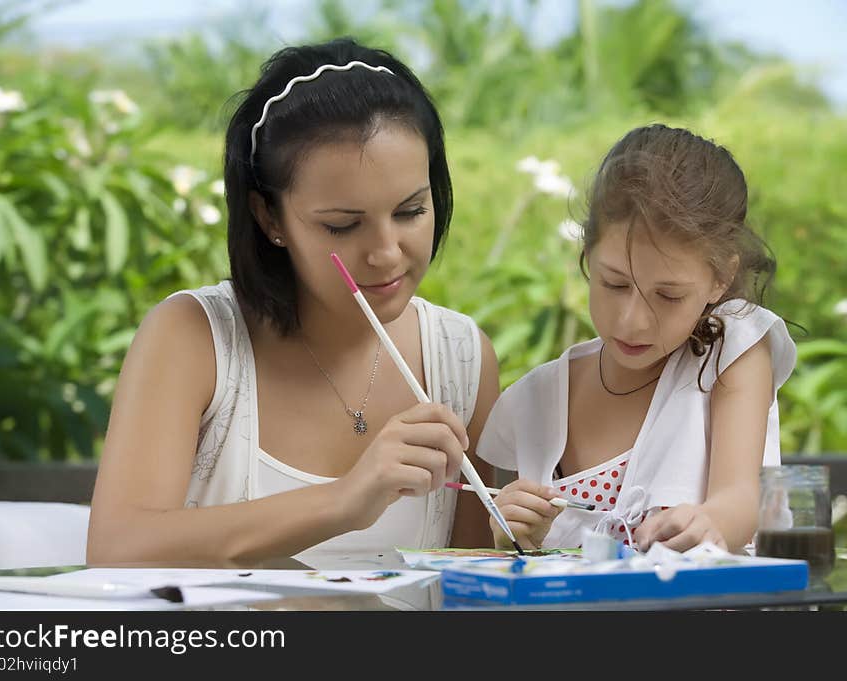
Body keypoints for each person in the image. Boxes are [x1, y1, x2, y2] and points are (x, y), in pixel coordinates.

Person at [87, 37, 500, 566]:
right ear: (270, 218)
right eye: (342, 225)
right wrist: (345, 500)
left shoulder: (462, 357)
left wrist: (528, 541)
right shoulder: (194, 336)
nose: (386, 252)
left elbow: (470, 583)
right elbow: (117, 549)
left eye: (410, 211)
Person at [477, 124, 796, 554]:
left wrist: (712, 522)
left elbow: (741, 500)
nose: (632, 321)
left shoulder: (729, 354)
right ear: (587, 254)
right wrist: (514, 538)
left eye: (668, 295)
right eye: (614, 284)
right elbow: (519, 565)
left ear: (720, 279)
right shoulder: (535, 402)